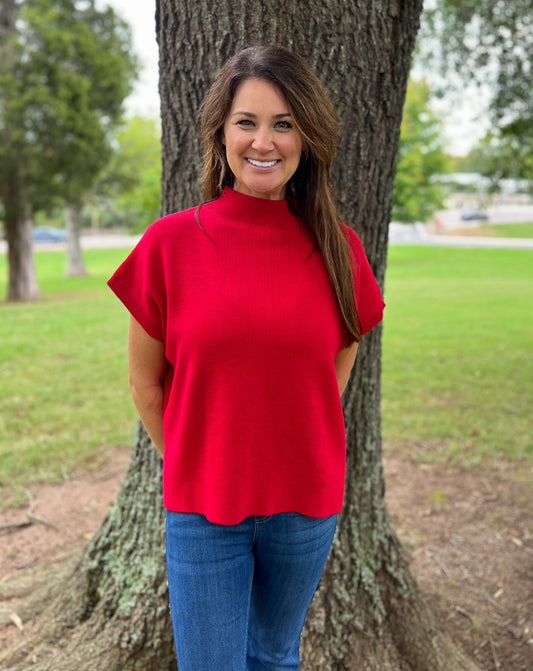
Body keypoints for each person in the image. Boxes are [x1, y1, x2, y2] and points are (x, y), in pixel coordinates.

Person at [108, 45, 385, 671]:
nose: (265, 141)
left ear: (307, 137)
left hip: (306, 503)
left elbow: (345, 348)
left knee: (274, 656)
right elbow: (146, 383)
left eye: (284, 123)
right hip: (202, 506)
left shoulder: (338, 247)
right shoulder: (170, 245)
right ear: (221, 133)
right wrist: (198, 456)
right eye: (247, 122)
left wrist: (298, 427)